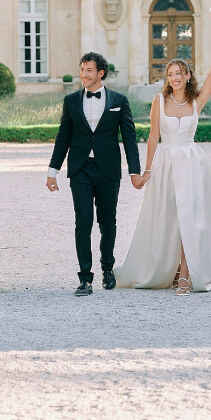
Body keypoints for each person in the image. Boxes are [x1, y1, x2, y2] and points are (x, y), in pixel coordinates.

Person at [116, 47, 211, 292]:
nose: (174, 77)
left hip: (192, 162)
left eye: (179, 73)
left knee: (190, 216)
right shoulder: (159, 100)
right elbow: (153, 136)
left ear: (188, 75)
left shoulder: (197, 100)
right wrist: (147, 171)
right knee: (168, 217)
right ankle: (173, 269)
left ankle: (185, 274)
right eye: (170, 74)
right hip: (166, 162)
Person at [47, 53, 141, 295]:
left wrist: (134, 171)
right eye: (82, 70)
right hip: (80, 169)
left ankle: (107, 268)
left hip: (108, 169)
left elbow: (129, 137)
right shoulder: (71, 101)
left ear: (101, 73)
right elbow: (63, 137)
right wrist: (52, 171)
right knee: (83, 221)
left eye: (89, 70)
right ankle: (85, 278)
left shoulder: (119, 100)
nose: (83, 75)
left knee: (107, 221)